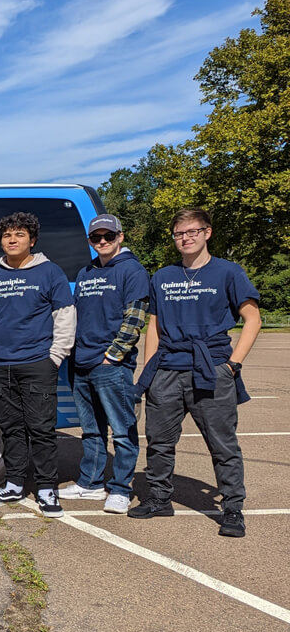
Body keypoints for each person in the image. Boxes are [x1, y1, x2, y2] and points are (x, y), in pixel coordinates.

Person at [133, 208, 261, 537]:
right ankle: (160, 498)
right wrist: (150, 372)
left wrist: (233, 364)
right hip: (168, 370)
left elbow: (252, 318)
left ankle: (232, 507)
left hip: (211, 368)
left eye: (192, 231)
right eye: (179, 233)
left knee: (222, 443)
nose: (185, 238)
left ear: (207, 233)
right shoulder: (162, 277)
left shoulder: (228, 272)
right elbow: (155, 327)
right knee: (159, 441)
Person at [0, 212, 75, 517]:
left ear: (32, 240)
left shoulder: (50, 273)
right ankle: (14, 482)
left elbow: (64, 315)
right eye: (7, 235)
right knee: (10, 428)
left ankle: (47, 488)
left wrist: (55, 357)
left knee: (42, 428)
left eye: (20, 235)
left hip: (37, 362)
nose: (12, 240)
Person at [62, 214, 149, 514]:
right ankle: (90, 483)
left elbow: (135, 318)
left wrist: (113, 355)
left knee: (122, 430)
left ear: (120, 237)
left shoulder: (132, 271)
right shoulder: (86, 272)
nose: (102, 242)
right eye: (96, 238)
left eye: (108, 237)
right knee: (91, 429)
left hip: (110, 365)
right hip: (82, 362)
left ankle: (121, 488)